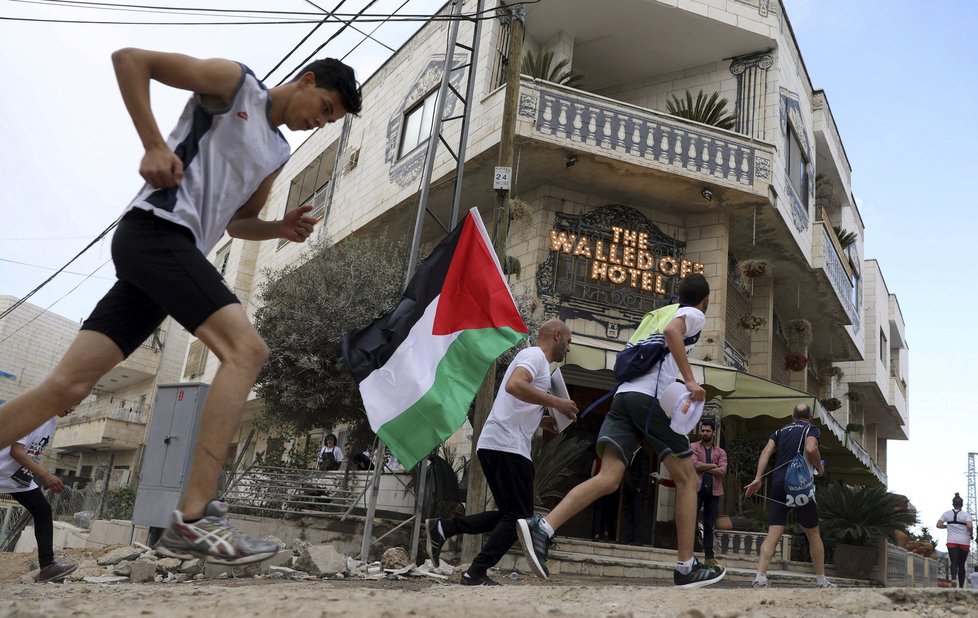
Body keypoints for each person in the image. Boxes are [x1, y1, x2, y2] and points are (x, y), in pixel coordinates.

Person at [0, 48, 362, 566]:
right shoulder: (236, 85)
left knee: (68, 388)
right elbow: (130, 61)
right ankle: (195, 519)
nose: (319, 122)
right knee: (247, 350)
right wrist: (152, 145)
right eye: (324, 107)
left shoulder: (277, 153)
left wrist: (278, 229)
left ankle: (194, 519)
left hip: (169, 257)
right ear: (306, 81)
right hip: (154, 232)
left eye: (329, 120)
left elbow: (239, 223)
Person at [517, 274, 726, 589]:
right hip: (647, 399)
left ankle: (543, 527)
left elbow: (651, 345)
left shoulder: (655, 314)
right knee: (686, 478)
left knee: (608, 478)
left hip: (623, 398)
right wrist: (691, 380)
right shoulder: (692, 314)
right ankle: (686, 567)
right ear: (706, 300)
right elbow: (673, 333)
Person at [425, 319, 578, 586]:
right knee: (521, 519)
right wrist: (557, 402)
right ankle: (475, 571)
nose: (569, 349)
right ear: (557, 335)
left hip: (497, 444)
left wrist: (544, 420)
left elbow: (515, 401)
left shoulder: (535, 361)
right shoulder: (535, 357)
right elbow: (514, 386)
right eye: (569, 342)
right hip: (508, 447)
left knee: (512, 516)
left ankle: (444, 528)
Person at [743, 404, 836, 589]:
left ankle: (760, 577)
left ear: (792, 417)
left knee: (774, 532)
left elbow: (766, 452)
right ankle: (821, 580)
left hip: (779, 483)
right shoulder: (811, 429)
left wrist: (758, 478)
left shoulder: (779, 431)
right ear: (810, 418)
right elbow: (810, 449)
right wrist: (820, 467)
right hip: (800, 485)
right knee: (813, 533)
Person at [0, 407, 78, 583]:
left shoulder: (51, 421)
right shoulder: (31, 414)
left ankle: (48, 566)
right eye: (72, 401)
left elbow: (29, 453)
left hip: (15, 477)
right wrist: (45, 475)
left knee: (42, 510)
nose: (73, 408)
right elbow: (16, 451)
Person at [691, 418, 726, 567]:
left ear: (713, 432)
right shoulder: (693, 447)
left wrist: (704, 466)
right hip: (697, 489)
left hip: (714, 492)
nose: (705, 433)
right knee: (691, 522)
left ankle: (709, 557)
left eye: (707, 430)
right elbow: (693, 464)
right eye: (703, 430)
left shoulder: (720, 451)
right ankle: (688, 555)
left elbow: (722, 471)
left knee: (709, 524)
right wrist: (713, 465)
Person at [936, 492, 973, 588]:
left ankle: (953, 579)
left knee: (954, 562)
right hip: (964, 542)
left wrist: (947, 526)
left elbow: (938, 525)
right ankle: (961, 587)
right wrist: (971, 534)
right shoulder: (966, 515)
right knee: (961, 564)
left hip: (951, 541)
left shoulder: (946, 514)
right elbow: (969, 525)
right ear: (962, 504)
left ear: (953, 504)